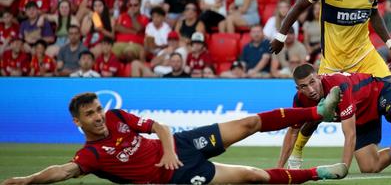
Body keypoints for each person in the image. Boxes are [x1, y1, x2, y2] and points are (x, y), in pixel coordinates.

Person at [269, 0, 391, 169]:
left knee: (388, 86)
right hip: (334, 60)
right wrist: (281, 35)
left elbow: (374, 15)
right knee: (317, 109)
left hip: (364, 54)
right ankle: (297, 153)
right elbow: (298, 6)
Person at [1, 90, 348, 184]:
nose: (98, 117)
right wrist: (25, 180)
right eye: (90, 115)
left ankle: (318, 112)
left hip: (181, 146)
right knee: (252, 176)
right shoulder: (91, 157)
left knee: (251, 123)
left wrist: (168, 151)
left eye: (98, 110)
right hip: (178, 176)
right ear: (79, 123)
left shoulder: (119, 117)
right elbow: (62, 172)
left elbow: (160, 128)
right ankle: (319, 173)